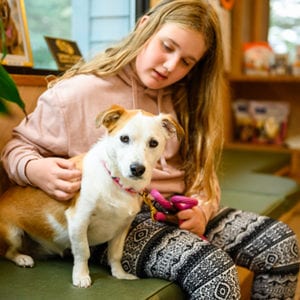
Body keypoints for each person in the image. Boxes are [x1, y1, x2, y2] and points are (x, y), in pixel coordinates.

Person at [1, 0, 299, 298]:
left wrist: (203, 208)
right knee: (213, 271)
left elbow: (203, 173)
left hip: (175, 211)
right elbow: (17, 147)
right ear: (144, 27)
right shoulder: (77, 92)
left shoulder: (185, 101)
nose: (171, 66)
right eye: (167, 47)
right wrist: (34, 169)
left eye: (186, 62)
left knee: (280, 242)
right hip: (115, 221)